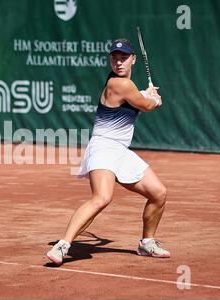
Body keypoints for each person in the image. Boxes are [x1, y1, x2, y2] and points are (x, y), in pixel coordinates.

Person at [47, 39, 170, 266]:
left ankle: (147, 242)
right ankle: (63, 245)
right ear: (110, 60)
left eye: (123, 57)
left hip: (120, 151)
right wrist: (153, 99)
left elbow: (134, 100)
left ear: (133, 59)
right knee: (102, 198)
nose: (118, 62)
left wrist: (145, 93)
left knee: (158, 193)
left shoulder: (125, 85)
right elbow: (146, 106)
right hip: (103, 146)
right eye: (114, 57)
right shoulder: (119, 84)